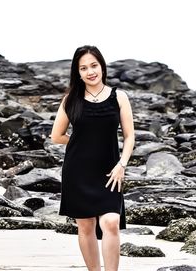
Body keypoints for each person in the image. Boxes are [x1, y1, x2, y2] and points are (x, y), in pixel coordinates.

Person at [50, 45, 135, 271]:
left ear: (102, 67)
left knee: (111, 222)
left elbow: (129, 136)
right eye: (84, 68)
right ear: (78, 73)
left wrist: (122, 164)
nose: (90, 71)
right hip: (78, 171)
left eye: (94, 65)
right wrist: (83, 142)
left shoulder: (119, 97)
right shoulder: (71, 100)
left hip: (110, 171)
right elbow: (56, 136)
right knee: (85, 226)